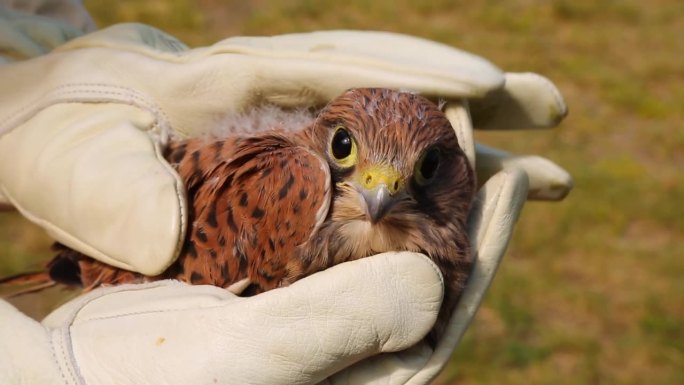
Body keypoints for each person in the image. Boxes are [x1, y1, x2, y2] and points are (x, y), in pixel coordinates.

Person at [0, 1, 572, 384]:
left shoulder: (440, 235)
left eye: (420, 171)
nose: (377, 192)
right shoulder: (291, 187)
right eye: (347, 150)